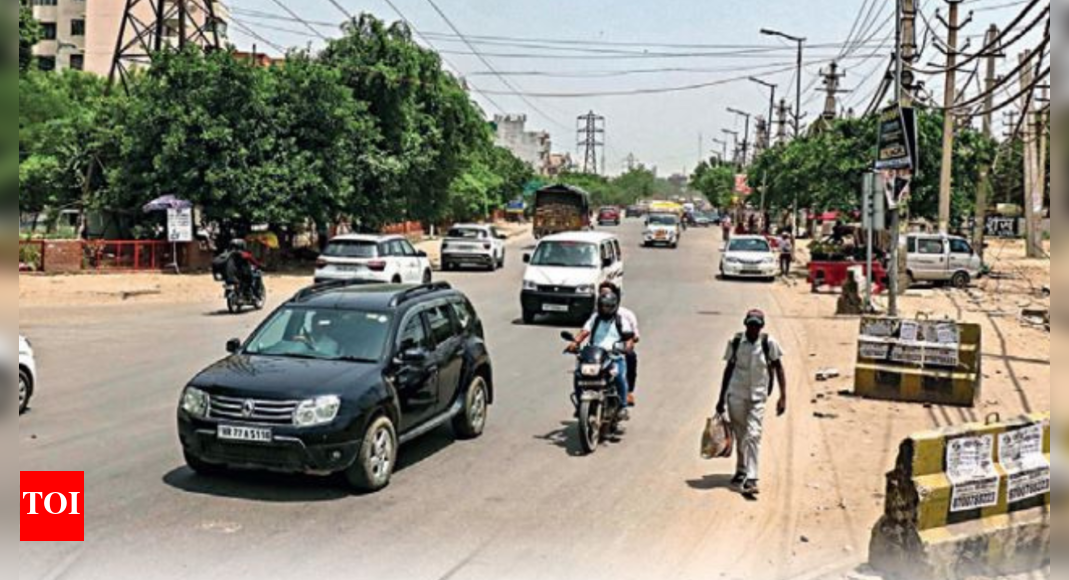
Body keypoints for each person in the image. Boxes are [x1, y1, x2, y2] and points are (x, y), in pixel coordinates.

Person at [715, 310, 788, 497]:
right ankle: (741, 469)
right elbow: (728, 369)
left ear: (762, 326)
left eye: (757, 325)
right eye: (750, 324)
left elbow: (779, 367)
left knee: (753, 434)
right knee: (741, 435)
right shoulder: (736, 342)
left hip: (758, 396)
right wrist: (721, 398)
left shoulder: (768, 343)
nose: (753, 328)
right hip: (736, 395)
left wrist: (783, 397)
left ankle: (752, 478)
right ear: (745, 324)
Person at [568, 288, 636, 420]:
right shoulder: (595, 318)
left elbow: (629, 338)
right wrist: (575, 342)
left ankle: (622, 406)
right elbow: (585, 331)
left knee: (619, 377)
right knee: (578, 375)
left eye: (609, 306)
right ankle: (580, 405)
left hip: (614, 357)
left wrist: (627, 347)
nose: (606, 309)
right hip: (595, 356)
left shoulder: (621, 320)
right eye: (603, 306)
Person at [599, 282, 640, 407]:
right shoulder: (595, 315)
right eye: (602, 294)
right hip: (599, 349)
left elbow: (635, 336)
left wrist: (626, 345)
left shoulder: (626, 315)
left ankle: (628, 391)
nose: (604, 296)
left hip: (618, 349)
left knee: (631, 357)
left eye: (607, 294)